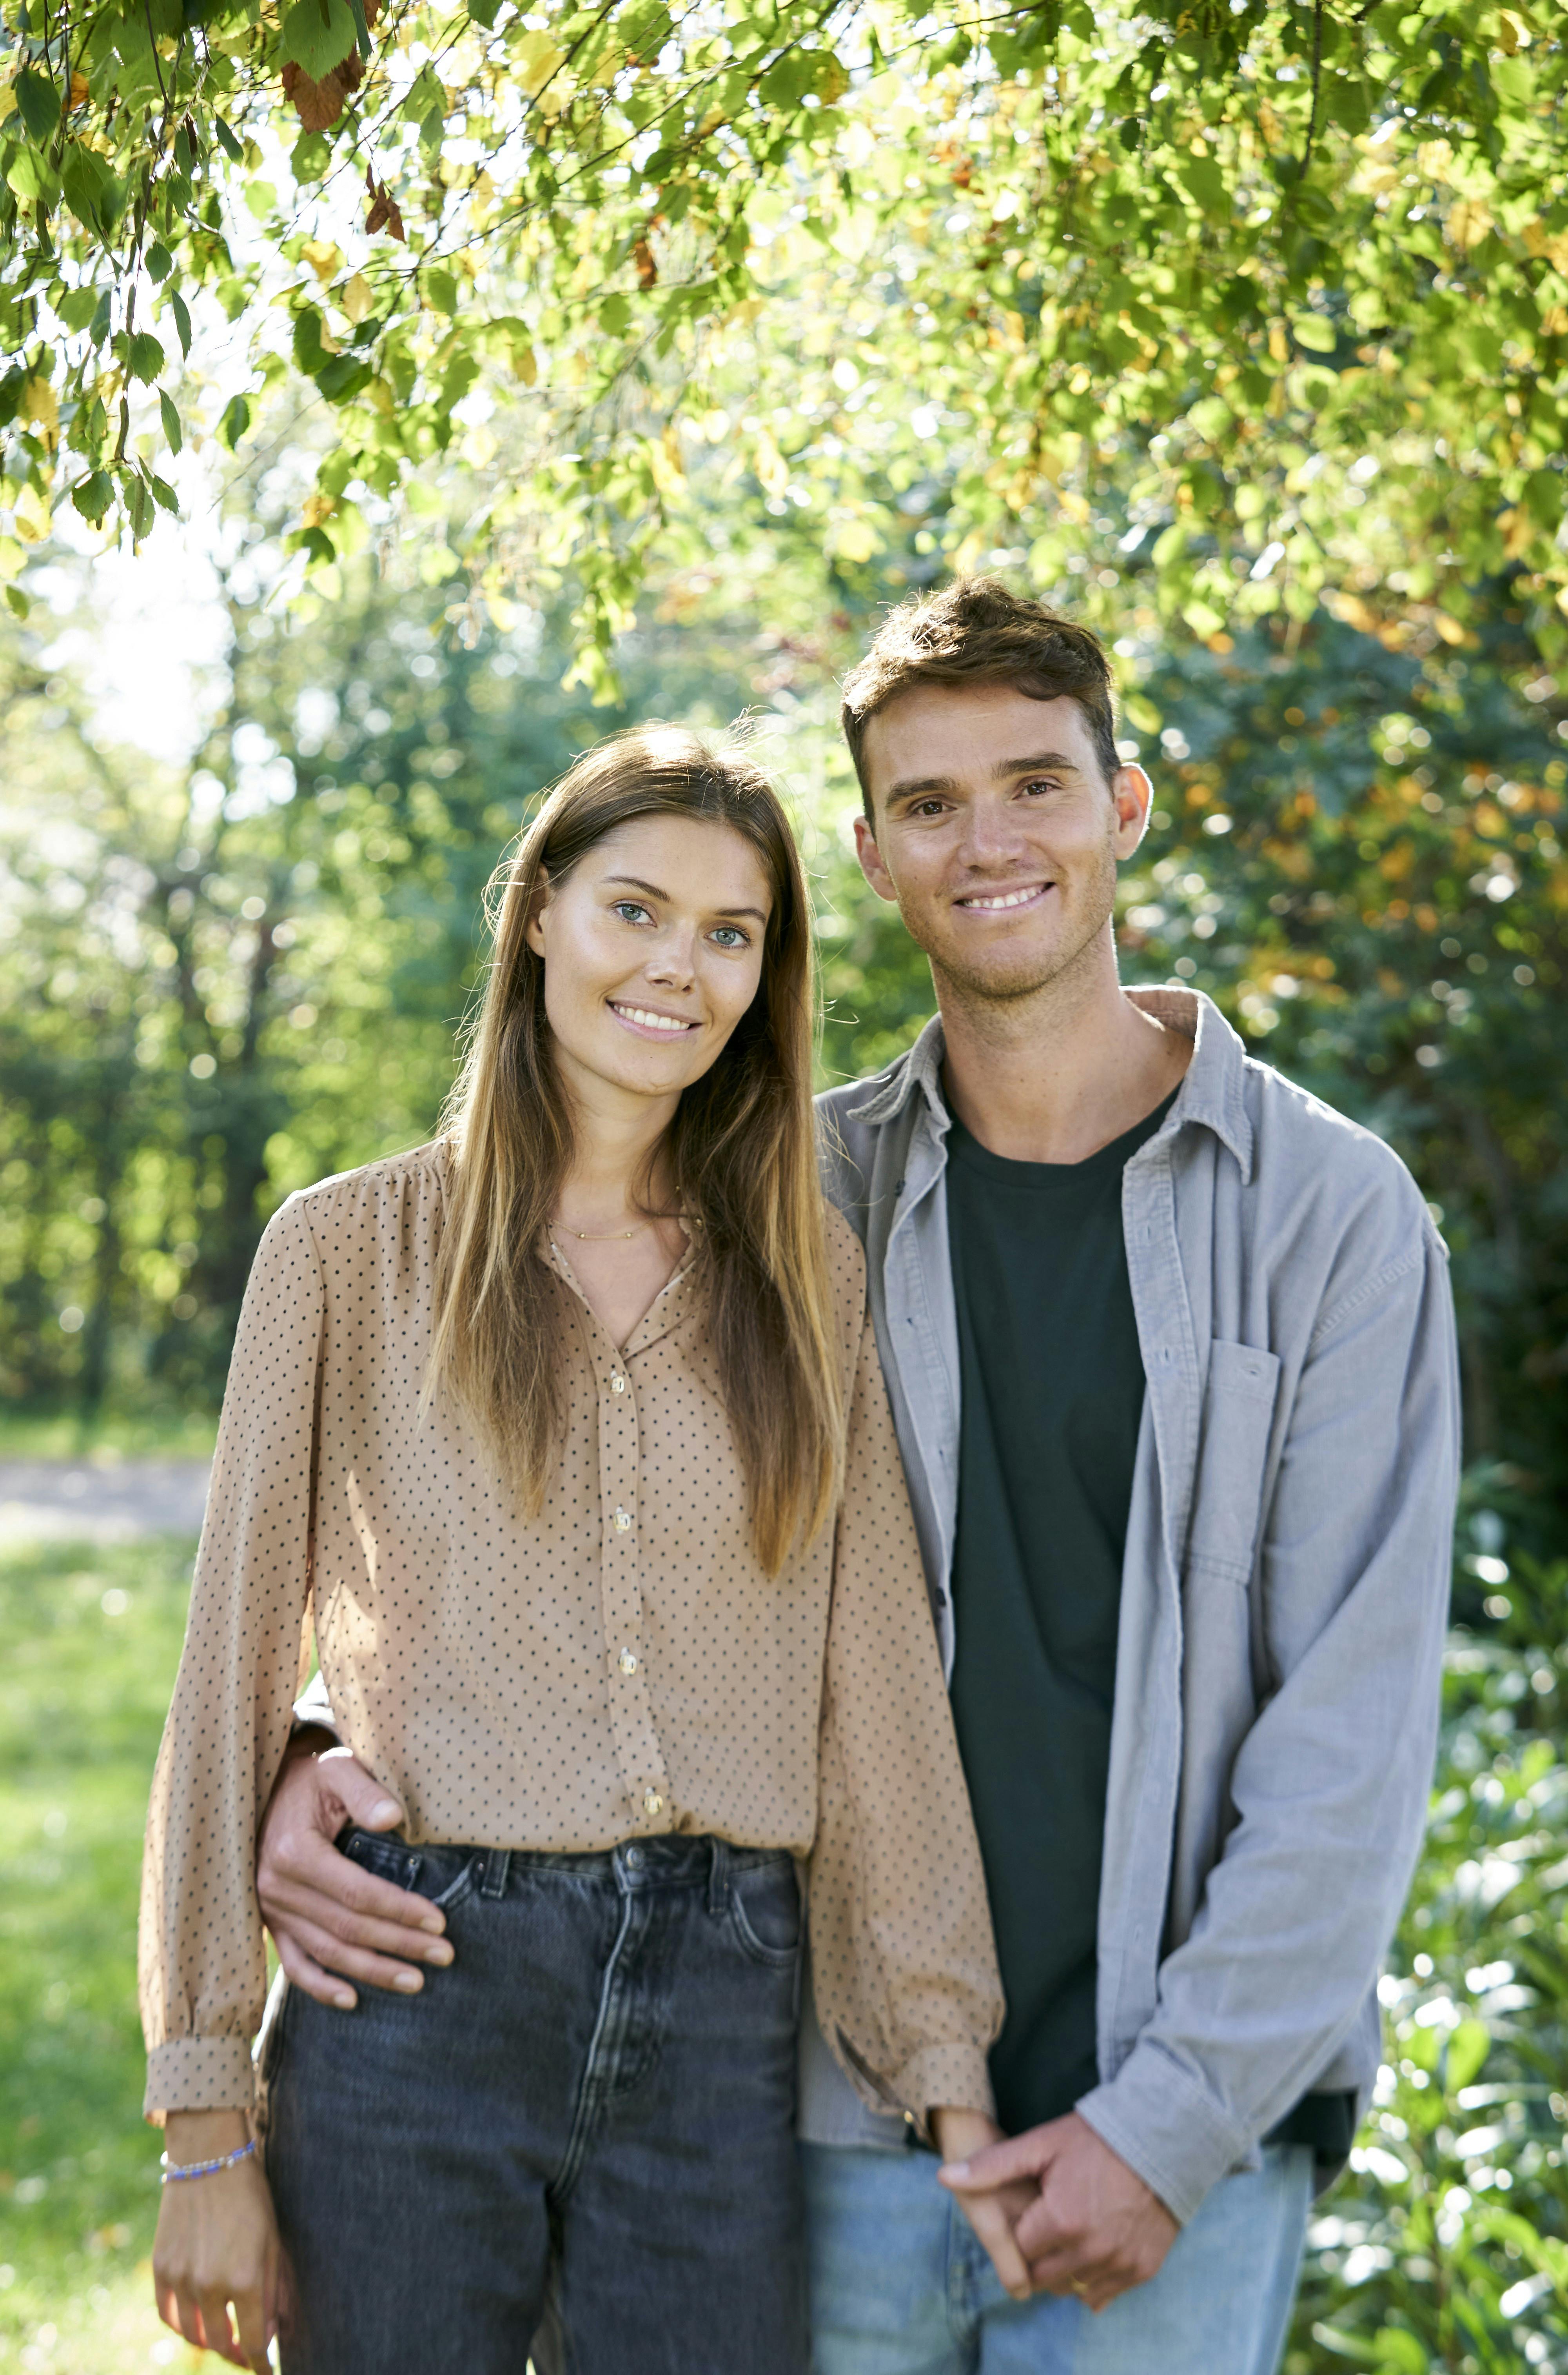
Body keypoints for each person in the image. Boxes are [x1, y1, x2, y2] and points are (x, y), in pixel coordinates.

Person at [260, 584, 1461, 2375]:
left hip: (1175, 2139)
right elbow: (520, 1513)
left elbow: (1351, 1734)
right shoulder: (772, 1206)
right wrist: (308, 1750)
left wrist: (1177, 2117)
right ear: (873, 858)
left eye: (1037, 785)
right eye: (928, 804)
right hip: (801, 2107)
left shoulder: (1328, 1214)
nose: (989, 843)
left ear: (1124, 811)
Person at [139, 725, 1007, 2375]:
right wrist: (203, 2119)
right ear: (538, 913)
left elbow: (871, 1665)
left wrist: (942, 2063)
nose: (679, 966)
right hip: (412, 1989)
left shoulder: (801, 1272)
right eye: (635, 908)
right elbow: (230, 1673)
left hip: (723, 2005)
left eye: (730, 932)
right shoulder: (342, 1253)